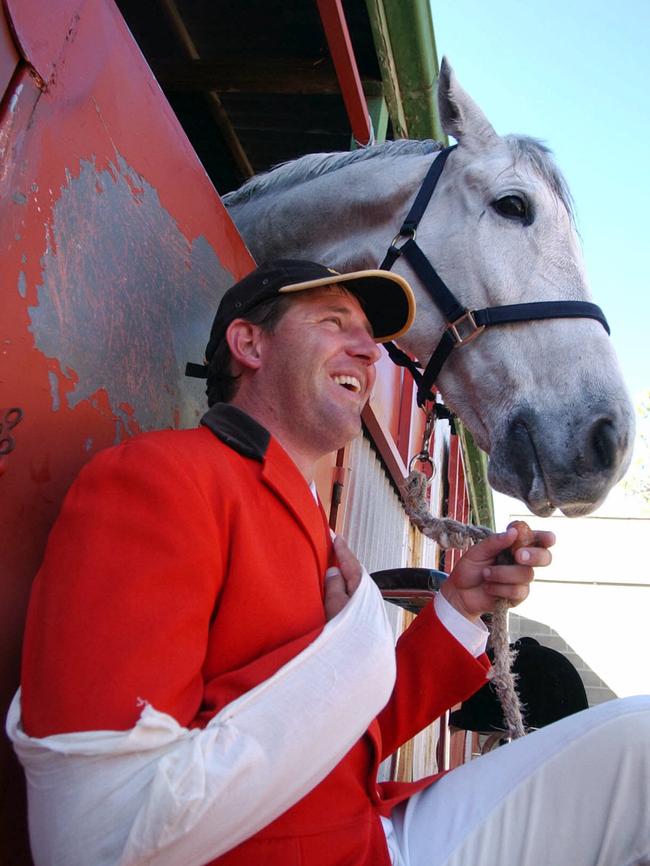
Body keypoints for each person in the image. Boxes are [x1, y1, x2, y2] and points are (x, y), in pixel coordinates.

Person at [7, 260, 649, 866]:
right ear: (250, 345)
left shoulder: (309, 516)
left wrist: (461, 606)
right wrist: (349, 657)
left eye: (370, 338)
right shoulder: (159, 479)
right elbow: (98, 835)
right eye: (333, 322)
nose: (370, 352)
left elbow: (340, 733)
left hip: (370, 833)